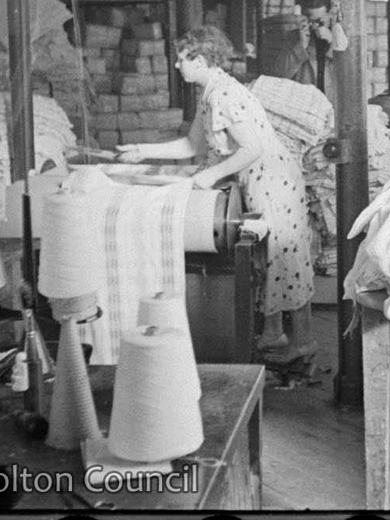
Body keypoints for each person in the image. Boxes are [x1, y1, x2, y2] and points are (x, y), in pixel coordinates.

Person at [117, 26, 316, 360]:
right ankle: (274, 334)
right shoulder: (209, 91)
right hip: (260, 178)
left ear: (203, 59)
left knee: (285, 257)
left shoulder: (224, 94)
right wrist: (140, 150)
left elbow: (251, 147)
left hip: (273, 180)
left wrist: (211, 175)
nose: (178, 66)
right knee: (271, 259)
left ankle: (303, 343)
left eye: (183, 59)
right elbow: (191, 144)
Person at [281, 0, 348, 104]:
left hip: (334, 103)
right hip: (305, 105)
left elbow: (350, 74)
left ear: (329, 14)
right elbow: (281, 74)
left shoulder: (341, 35)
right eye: (310, 21)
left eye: (319, 20)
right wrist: (301, 46)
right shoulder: (293, 37)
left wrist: (332, 42)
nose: (314, 25)